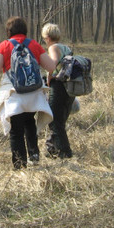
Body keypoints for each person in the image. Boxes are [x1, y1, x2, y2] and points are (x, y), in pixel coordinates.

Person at [0, 16, 57, 169]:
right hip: (33, 93)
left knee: (16, 130)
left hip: (13, 93)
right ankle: (34, 154)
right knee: (29, 121)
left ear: (8, 31)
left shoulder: (4, 45)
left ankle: (20, 165)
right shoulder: (33, 44)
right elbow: (51, 67)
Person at [41, 23, 75, 158]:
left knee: (54, 120)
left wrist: (49, 77)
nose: (44, 40)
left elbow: (53, 64)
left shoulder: (53, 47)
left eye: (44, 38)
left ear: (48, 37)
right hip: (69, 87)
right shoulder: (66, 47)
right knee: (60, 120)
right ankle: (53, 149)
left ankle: (65, 152)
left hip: (59, 86)